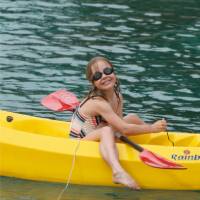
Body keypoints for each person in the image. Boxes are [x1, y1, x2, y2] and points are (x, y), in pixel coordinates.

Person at [69, 56, 167, 189]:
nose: (104, 76)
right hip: (78, 142)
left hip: (100, 132)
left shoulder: (117, 96)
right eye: (97, 75)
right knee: (107, 130)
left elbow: (119, 126)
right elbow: (124, 129)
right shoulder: (97, 103)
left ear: (114, 72)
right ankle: (117, 171)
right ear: (93, 83)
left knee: (132, 117)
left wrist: (151, 129)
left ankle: (161, 144)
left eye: (107, 71)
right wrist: (151, 128)